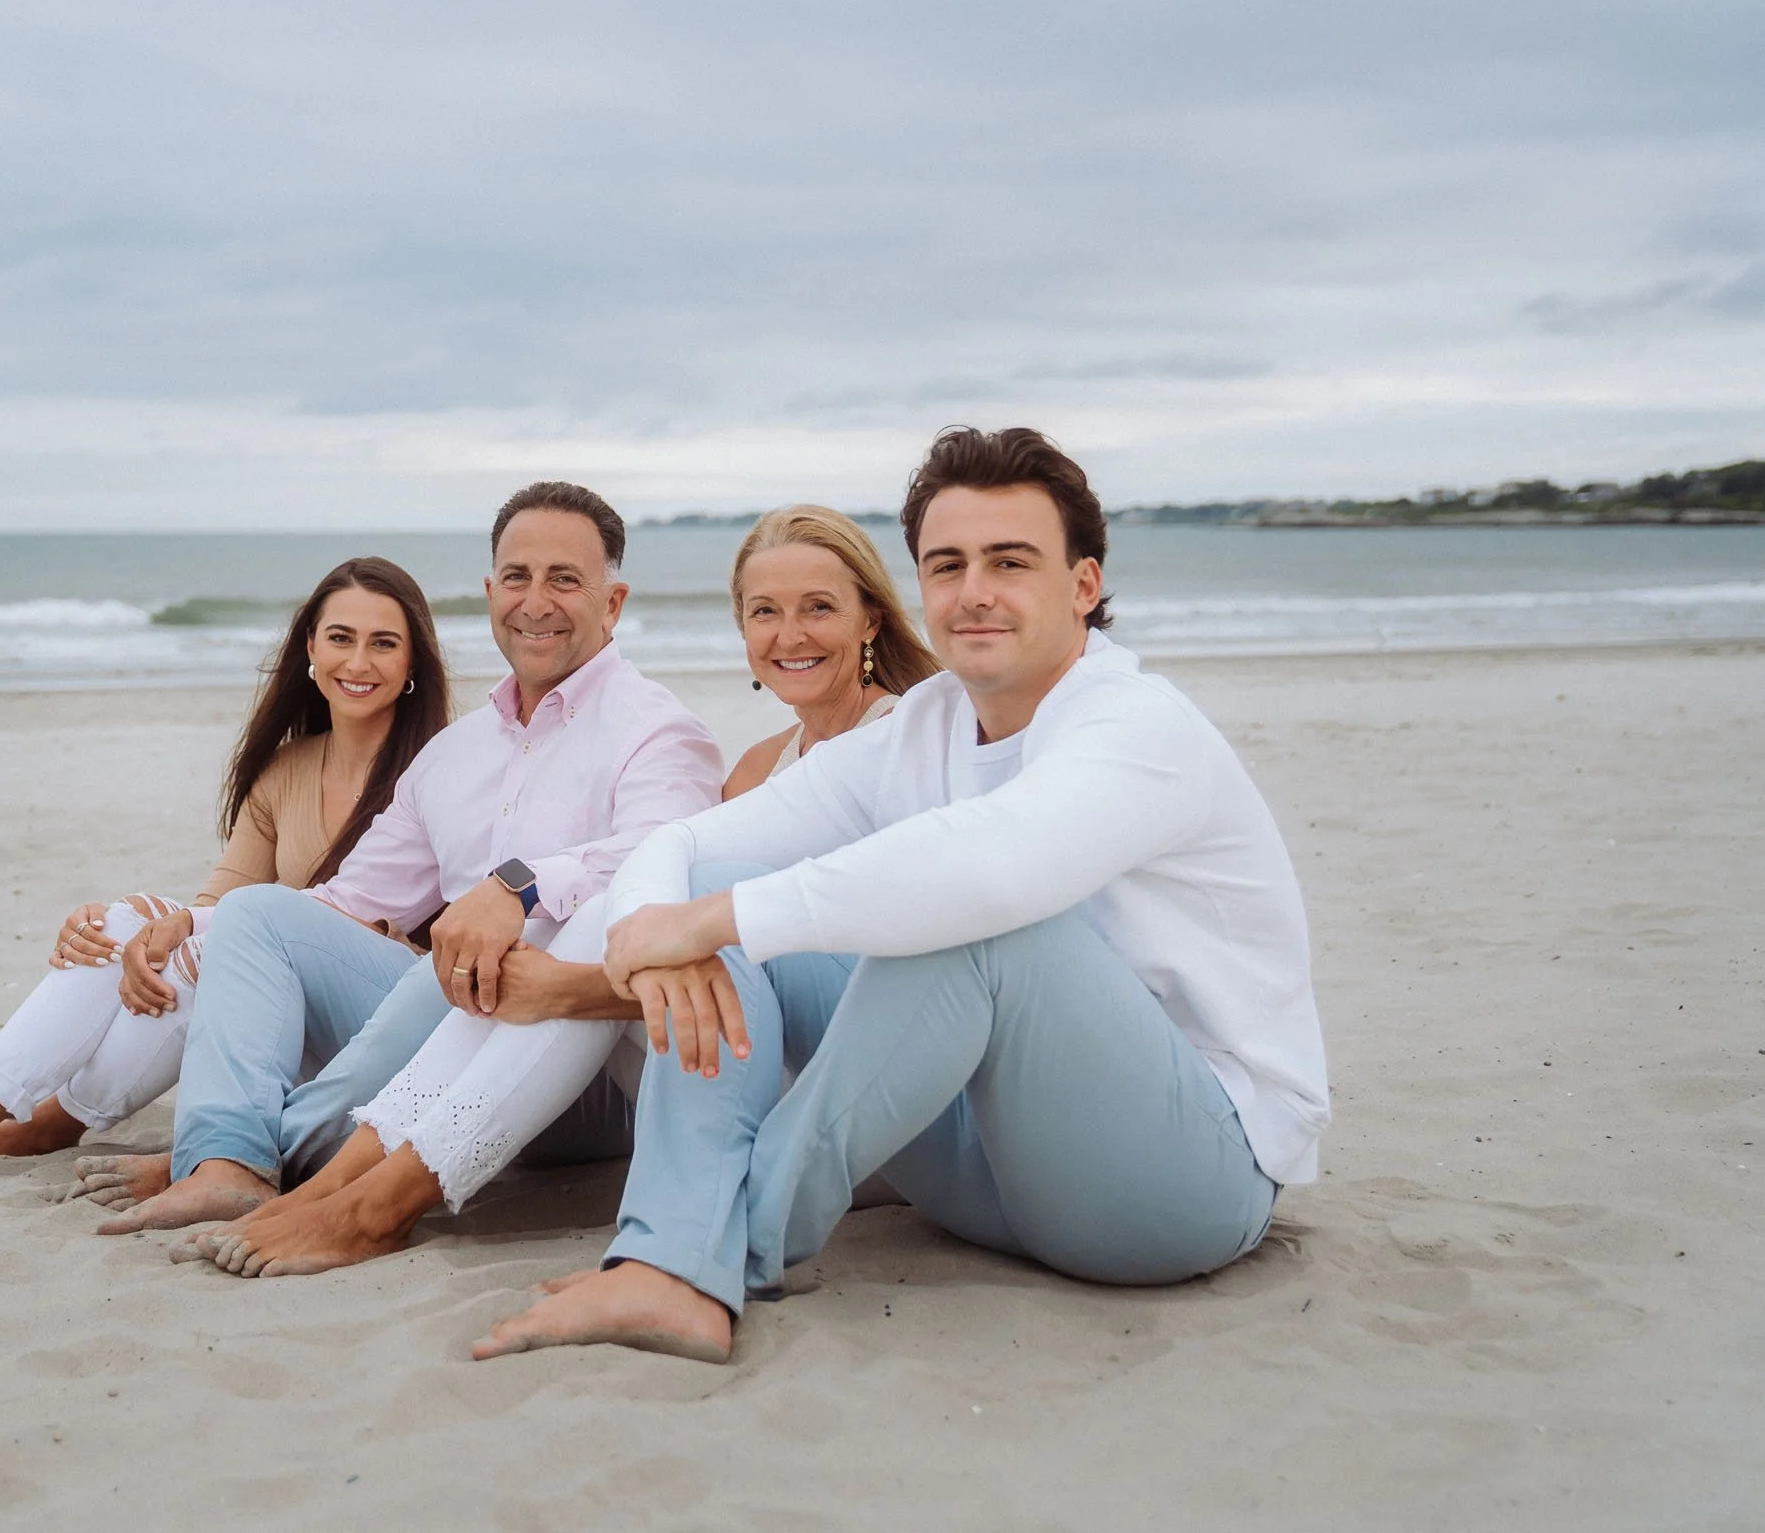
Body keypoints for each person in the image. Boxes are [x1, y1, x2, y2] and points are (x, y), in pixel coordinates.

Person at [473, 427, 1331, 1362]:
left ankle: (721, 1249)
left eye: (1011, 561)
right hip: (991, 1174)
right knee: (717, 892)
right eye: (948, 563)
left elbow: (991, 867)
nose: (974, 591)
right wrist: (652, 922)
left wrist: (712, 918)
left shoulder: (1136, 724)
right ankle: (670, 1259)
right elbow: (686, 841)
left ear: (1083, 585)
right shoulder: (928, 725)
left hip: (1176, 1183)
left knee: (984, 928)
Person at [181, 506, 940, 1278]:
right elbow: (347, 903)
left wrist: (555, 970)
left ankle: (366, 1195)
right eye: (764, 612)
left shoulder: (898, 742)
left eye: (818, 608)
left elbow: (802, 962)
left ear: (870, 615)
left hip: (837, 1081)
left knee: (573, 914)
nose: (790, 634)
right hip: (713, 1054)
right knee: (531, 929)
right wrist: (168, 932)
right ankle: (325, 1180)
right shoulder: (754, 770)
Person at [71, 481, 726, 1235]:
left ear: (612, 603)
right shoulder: (454, 755)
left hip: (588, 1057)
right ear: (489, 591)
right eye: (516, 577)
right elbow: (347, 901)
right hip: (456, 1029)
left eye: (565, 579)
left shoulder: (658, 730)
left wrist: (518, 887)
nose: (535, 600)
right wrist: (189, 923)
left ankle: (252, 1150)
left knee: (458, 971)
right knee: (262, 914)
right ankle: (228, 1163)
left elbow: (662, 859)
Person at [0, 557, 450, 1207]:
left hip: (384, 1027)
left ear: (413, 659)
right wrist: (132, 935)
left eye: (383, 643)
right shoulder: (283, 769)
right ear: (310, 646)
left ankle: (37, 1125)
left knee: (190, 937)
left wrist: (186, 935)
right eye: (341, 637)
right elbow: (219, 911)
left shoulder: (444, 770)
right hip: (271, 1023)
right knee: (128, 924)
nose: (358, 662)